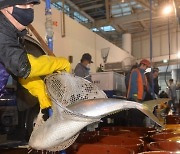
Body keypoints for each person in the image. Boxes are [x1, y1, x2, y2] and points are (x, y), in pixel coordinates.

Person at [0, 0, 71, 109]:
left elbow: (17, 70)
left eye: (31, 5)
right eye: (23, 5)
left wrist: (41, 92)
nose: (28, 10)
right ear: (4, 7)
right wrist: (59, 63)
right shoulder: (2, 32)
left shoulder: (12, 35)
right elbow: (23, 66)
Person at [126, 59, 151, 127]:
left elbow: (146, 87)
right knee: (135, 118)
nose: (146, 68)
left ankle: (138, 131)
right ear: (142, 65)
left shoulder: (143, 75)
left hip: (140, 99)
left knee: (139, 117)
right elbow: (134, 85)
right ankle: (135, 132)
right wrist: (135, 97)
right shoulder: (135, 72)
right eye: (146, 67)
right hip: (134, 99)